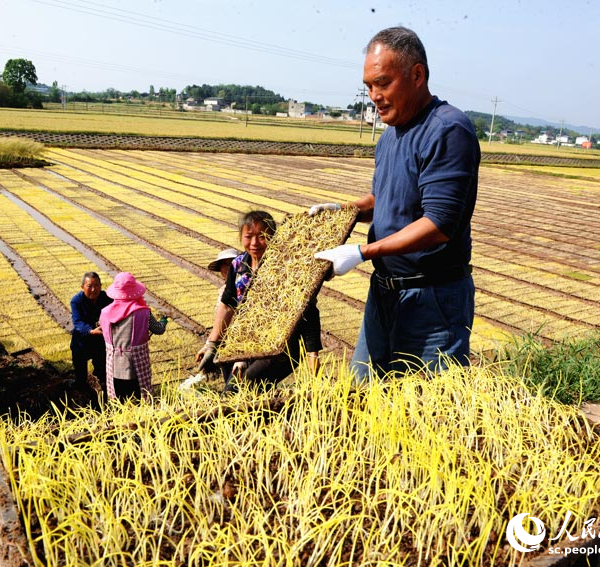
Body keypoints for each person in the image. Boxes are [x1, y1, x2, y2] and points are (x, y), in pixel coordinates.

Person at [312, 26, 480, 381]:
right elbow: (388, 199)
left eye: (383, 83)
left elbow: (439, 224)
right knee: (362, 396)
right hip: (385, 293)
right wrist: (349, 210)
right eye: (369, 86)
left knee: (427, 412)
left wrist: (363, 251)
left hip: (432, 299)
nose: (374, 95)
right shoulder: (390, 137)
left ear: (416, 75)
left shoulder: (447, 130)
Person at [196, 211, 321, 393]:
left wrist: (313, 357)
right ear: (241, 237)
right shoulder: (238, 265)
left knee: (240, 388)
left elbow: (308, 310)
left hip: (281, 347)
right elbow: (227, 304)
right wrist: (211, 345)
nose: (254, 244)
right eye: (249, 237)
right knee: (242, 393)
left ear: (274, 237)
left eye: (262, 237)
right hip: (245, 342)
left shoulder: (286, 267)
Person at [99, 272, 167, 402]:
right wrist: (164, 321)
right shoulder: (143, 312)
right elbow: (158, 330)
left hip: (113, 365)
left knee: (119, 400)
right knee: (137, 399)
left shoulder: (105, 312)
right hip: (136, 366)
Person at [70, 272, 113, 396]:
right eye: (89, 286)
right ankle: (82, 394)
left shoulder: (107, 298)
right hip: (81, 342)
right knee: (80, 375)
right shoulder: (76, 301)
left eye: (97, 286)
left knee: (102, 371)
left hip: (100, 342)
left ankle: (102, 395)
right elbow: (77, 322)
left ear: (101, 286)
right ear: (82, 287)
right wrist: (90, 330)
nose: (93, 290)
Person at [207, 247, 240, 313]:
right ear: (220, 268)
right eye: (224, 263)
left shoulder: (242, 287)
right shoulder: (223, 289)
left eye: (232, 263)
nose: (228, 267)